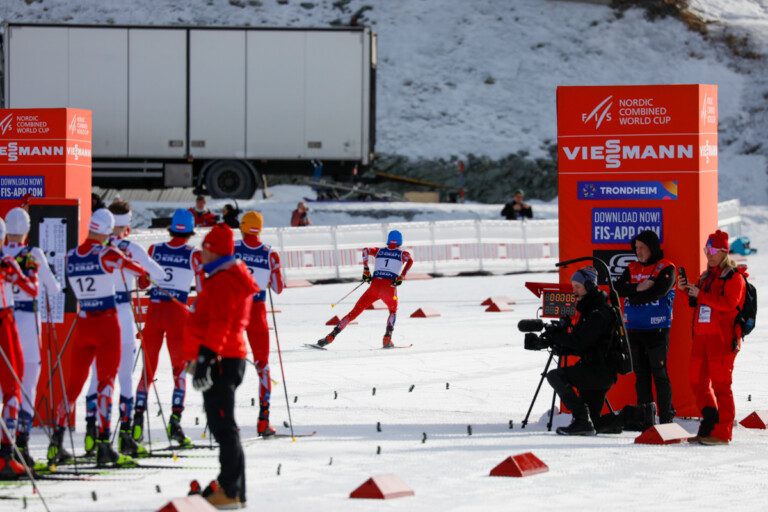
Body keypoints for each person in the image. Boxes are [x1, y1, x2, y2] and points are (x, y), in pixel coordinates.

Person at [47, 209, 148, 466]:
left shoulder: (71, 255)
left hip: (84, 323)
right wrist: (142, 273)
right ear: (107, 231)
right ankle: (104, 445)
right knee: (106, 382)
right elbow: (136, 268)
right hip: (106, 323)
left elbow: (62, 280)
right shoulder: (107, 252)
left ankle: (55, 444)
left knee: (73, 387)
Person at [82, 200, 165, 457]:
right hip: (121, 314)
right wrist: (143, 276)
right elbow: (159, 274)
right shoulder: (131, 248)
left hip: (95, 313)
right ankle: (125, 436)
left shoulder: (94, 248)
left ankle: (92, 434)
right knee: (124, 377)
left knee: (97, 376)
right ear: (126, 224)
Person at [185, 223, 258, 509]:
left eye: (205, 247)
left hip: (221, 359)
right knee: (224, 426)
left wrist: (204, 360)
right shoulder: (224, 276)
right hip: (225, 356)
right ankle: (234, 489)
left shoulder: (223, 280)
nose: (201, 252)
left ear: (214, 251)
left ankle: (229, 491)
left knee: (223, 427)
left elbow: (221, 324)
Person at [132, 209, 205, 448]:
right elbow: (203, 290)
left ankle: (137, 424)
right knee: (179, 371)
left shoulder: (154, 249)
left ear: (171, 228)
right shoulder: (194, 254)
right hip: (177, 314)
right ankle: (175, 422)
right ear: (191, 231)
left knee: (147, 372)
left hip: (154, 313)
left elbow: (142, 281)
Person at [2, 208, 60, 468]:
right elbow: (52, 287)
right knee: (27, 382)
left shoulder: (2, 253)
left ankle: (7, 438)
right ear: (27, 231)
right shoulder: (32, 254)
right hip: (25, 321)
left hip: (8, 314)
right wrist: (55, 274)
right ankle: (21, 443)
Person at [681, 230, 746, 446]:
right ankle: (709, 425)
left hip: (721, 339)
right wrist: (688, 291)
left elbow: (730, 304)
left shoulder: (735, 277)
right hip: (701, 337)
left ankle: (722, 432)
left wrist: (701, 295)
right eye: (706, 250)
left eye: (712, 250)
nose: (708, 254)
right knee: (696, 381)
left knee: (721, 386)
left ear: (724, 252)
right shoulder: (706, 276)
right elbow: (701, 303)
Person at [545, 267, 618, 436]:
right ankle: (639, 414)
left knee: (554, 375)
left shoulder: (599, 313)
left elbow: (581, 342)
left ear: (590, 286)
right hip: (596, 369)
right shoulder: (589, 310)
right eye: (573, 286)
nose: (574, 290)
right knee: (595, 422)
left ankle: (580, 419)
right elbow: (582, 344)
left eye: (578, 286)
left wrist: (559, 337)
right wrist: (559, 346)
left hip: (599, 372)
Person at [614, 230, 677, 426]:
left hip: (657, 329)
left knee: (659, 373)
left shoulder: (666, 267)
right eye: (636, 248)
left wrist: (632, 296)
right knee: (641, 374)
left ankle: (666, 417)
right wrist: (638, 288)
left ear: (652, 247)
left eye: (642, 247)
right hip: (634, 329)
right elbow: (617, 289)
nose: (638, 251)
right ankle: (645, 416)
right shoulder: (631, 268)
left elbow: (658, 292)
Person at [316, 230, 413, 349]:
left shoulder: (379, 251)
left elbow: (365, 250)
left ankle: (331, 335)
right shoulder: (402, 254)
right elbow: (410, 260)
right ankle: (387, 337)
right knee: (392, 311)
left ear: (388, 241)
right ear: (400, 242)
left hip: (374, 286)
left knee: (353, 313)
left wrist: (366, 269)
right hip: (389, 287)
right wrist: (401, 276)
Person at [234, 212, 285, 437]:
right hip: (256, 312)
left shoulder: (231, 247)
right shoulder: (269, 253)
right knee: (262, 366)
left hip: (233, 310)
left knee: (226, 366)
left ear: (243, 227)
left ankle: (225, 420)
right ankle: (263, 421)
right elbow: (278, 287)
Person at [0, 218, 38, 478]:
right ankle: (5, 456)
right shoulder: (7, 261)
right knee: (14, 386)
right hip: (5, 321)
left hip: (8, 319)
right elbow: (32, 288)